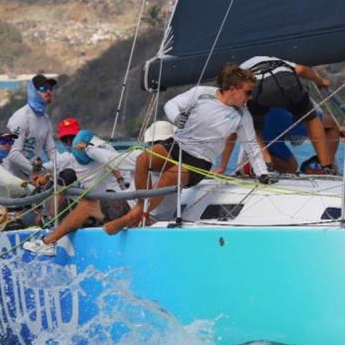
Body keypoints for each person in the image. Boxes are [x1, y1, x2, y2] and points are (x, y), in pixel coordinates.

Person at [103, 63, 271, 235]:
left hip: (200, 161)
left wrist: (262, 172)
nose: (250, 97)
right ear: (234, 88)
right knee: (143, 160)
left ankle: (131, 217)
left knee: (169, 178)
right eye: (248, 92)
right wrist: (176, 118)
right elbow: (171, 105)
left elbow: (251, 145)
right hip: (177, 145)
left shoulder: (243, 115)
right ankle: (140, 211)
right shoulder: (201, 93)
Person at [23, 129, 129, 255]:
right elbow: (41, 172)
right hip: (70, 207)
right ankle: (51, 224)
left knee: (87, 203)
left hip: (96, 208)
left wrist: (120, 180)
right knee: (67, 175)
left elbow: (115, 166)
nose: (68, 142)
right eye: (65, 140)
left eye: (70, 138)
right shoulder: (67, 158)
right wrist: (40, 175)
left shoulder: (101, 156)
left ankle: (49, 240)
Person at [239, 56, 336, 173]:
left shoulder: (241, 70)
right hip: (287, 86)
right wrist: (319, 81)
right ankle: (326, 167)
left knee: (290, 167)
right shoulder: (278, 62)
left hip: (262, 100)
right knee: (322, 122)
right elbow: (301, 70)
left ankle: (264, 162)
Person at [216, 106, 342, 175]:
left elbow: (233, 133)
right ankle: (327, 169)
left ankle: (256, 159)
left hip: (266, 125)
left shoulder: (241, 108)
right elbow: (331, 126)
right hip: (283, 120)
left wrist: (222, 166)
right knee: (331, 124)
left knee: (292, 168)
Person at [5, 74, 58, 180]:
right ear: (33, 91)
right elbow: (13, 153)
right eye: (43, 88)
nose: (48, 92)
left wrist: (65, 164)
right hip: (11, 178)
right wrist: (38, 171)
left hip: (31, 178)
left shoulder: (45, 119)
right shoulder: (21, 118)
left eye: (50, 88)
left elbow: (51, 151)